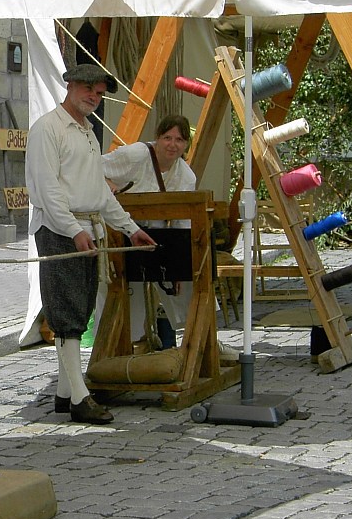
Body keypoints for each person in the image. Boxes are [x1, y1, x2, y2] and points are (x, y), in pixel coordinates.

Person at [27, 63, 156, 425]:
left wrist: (130, 229)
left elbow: (100, 191)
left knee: (78, 310)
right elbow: (49, 190)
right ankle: (80, 397)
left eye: (99, 93)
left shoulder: (87, 133)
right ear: (70, 86)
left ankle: (65, 393)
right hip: (58, 229)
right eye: (89, 89)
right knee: (67, 312)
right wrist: (73, 229)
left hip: (87, 228)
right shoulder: (47, 129)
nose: (94, 98)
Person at [101, 114, 239, 360]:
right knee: (125, 292)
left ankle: (205, 341)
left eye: (179, 139)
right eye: (167, 138)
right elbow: (92, 169)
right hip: (120, 235)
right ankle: (126, 347)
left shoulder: (186, 176)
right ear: (158, 138)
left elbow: (182, 223)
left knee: (188, 282)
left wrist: (177, 267)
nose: (172, 144)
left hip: (156, 238)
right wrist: (109, 184)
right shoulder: (136, 154)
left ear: (186, 144)